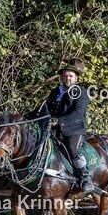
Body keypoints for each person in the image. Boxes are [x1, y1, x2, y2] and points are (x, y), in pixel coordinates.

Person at [39, 58, 93, 193]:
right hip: (53, 130)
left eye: (70, 76)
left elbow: (78, 113)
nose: (67, 78)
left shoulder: (81, 93)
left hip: (74, 130)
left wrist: (59, 121)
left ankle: (85, 177)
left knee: (72, 148)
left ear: (76, 77)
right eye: (65, 75)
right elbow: (45, 109)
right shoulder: (55, 92)